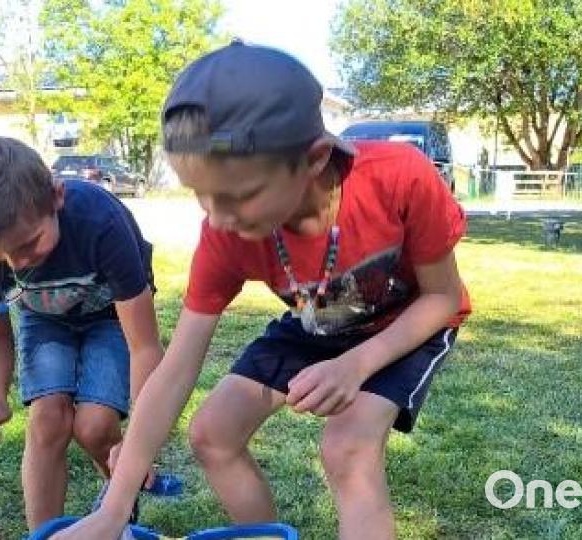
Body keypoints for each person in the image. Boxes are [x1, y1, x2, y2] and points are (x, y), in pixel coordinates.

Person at [55, 41, 471, 540]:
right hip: (317, 321)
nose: (218, 217)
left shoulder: (399, 177)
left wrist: (355, 365)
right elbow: (177, 367)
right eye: (201, 196)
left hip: (406, 324)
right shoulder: (224, 233)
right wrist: (113, 508)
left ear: (314, 159)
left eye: (240, 196)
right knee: (213, 433)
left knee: (347, 448)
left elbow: (443, 298)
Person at [0, 135, 163, 530]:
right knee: (47, 421)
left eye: (28, 244)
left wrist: (140, 442)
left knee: (95, 426)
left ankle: (120, 510)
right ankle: (45, 534)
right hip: (44, 318)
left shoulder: (100, 222)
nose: (16, 263)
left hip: (111, 316)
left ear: (55, 196)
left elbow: (145, 346)